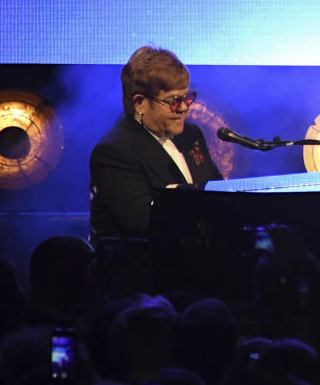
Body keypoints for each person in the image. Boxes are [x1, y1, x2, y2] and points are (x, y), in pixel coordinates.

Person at [89, 46, 222, 241]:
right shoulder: (114, 151)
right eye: (174, 101)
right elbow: (142, 221)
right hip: (142, 267)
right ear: (140, 103)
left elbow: (217, 191)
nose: (184, 108)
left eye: (187, 98)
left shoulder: (191, 135)